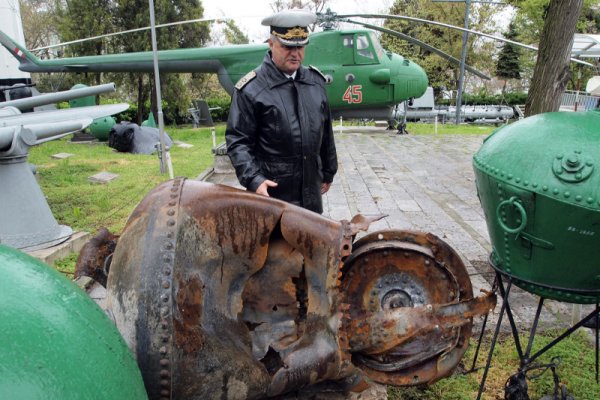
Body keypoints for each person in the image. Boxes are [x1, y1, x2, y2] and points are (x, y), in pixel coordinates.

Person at [225, 9, 337, 214]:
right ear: (271, 44)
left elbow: (326, 132)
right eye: (287, 46)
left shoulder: (315, 82)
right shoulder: (252, 89)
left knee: (310, 244)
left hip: (311, 194)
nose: (295, 53)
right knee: (275, 247)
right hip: (272, 196)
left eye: (300, 46)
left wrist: (329, 172)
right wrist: (254, 180)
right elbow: (238, 141)